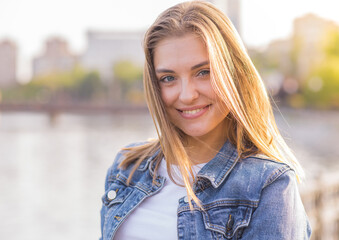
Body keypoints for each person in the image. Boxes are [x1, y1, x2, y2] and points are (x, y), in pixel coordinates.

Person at [100, 1, 311, 239]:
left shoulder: (268, 186)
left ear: (234, 73)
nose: (187, 95)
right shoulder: (127, 167)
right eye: (168, 78)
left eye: (203, 72)